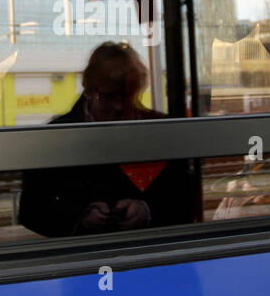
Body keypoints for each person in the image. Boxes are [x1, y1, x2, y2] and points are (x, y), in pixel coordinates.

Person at [19, 43, 195, 236]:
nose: (119, 106)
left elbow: (185, 199)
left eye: (128, 95)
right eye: (109, 96)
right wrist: (80, 217)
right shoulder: (53, 138)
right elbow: (32, 211)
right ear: (90, 90)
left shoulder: (55, 136)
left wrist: (147, 211)